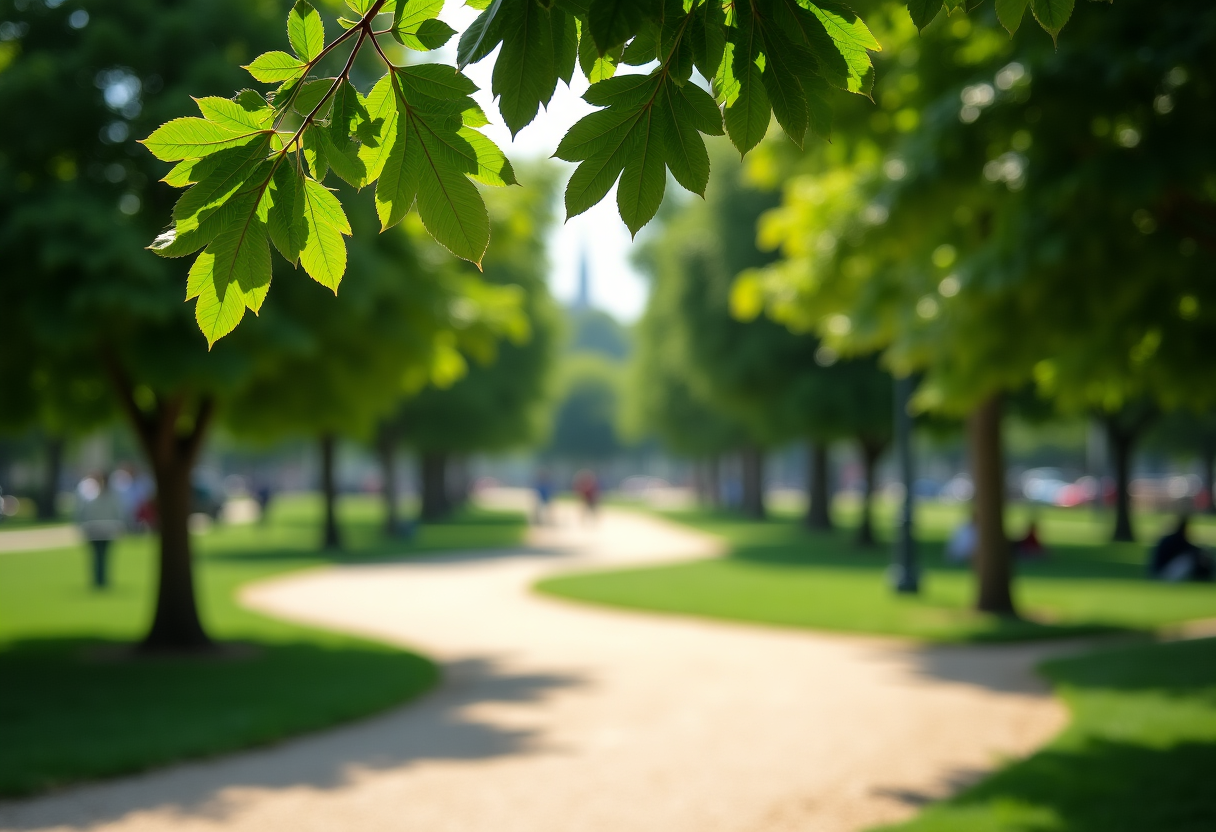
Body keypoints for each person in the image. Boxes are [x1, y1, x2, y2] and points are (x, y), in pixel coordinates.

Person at [75, 472, 125, 589]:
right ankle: (99, 580)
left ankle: (101, 580)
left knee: (102, 556)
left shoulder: (98, 497)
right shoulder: (93, 496)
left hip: (104, 531)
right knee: (98, 556)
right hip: (96, 531)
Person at [1149, 515, 1214, 582]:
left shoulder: (1171, 539)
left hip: (1162, 570)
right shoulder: (1176, 540)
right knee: (1189, 559)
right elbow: (1190, 550)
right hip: (1165, 571)